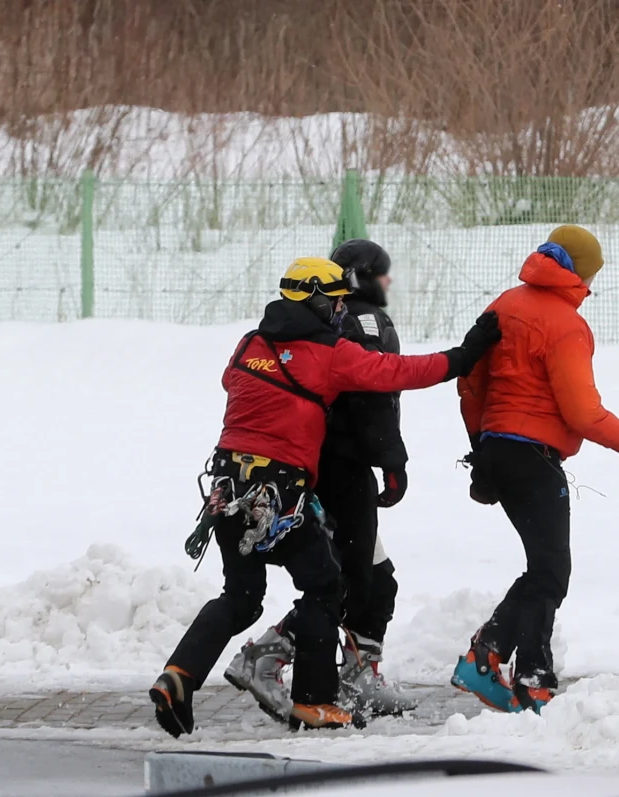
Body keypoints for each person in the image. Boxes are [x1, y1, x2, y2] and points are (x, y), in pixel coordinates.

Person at [149, 256, 501, 736]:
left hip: (226, 486)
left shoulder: (248, 343)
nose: (340, 309)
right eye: (334, 301)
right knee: (325, 586)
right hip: (280, 493)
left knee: (241, 595)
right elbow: (403, 371)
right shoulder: (330, 353)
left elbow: (233, 381)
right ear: (316, 300)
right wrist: (469, 352)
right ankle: (313, 702)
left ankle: (180, 674)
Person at [449, 225, 619, 715]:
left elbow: (471, 385)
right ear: (579, 272)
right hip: (534, 455)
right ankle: (488, 654)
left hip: (497, 446)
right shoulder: (565, 325)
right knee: (551, 570)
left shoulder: (503, 304)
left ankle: (533, 678)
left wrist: (482, 446)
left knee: (544, 567)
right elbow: (582, 411)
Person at [224, 240, 417, 722]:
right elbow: (376, 400)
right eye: (382, 273)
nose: (388, 282)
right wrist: (391, 460)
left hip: (305, 465)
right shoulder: (362, 324)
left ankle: (353, 667)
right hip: (339, 467)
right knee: (355, 578)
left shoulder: (309, 326)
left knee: (367, 575)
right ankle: (281, 658)